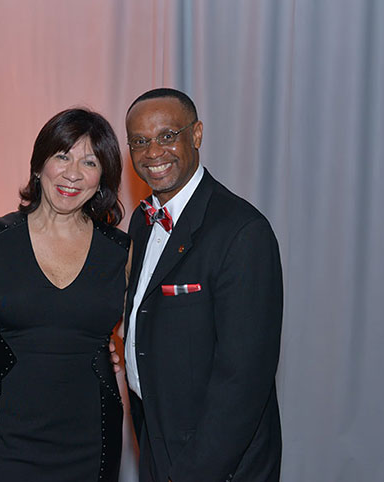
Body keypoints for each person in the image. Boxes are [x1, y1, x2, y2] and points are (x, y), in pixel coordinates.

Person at [121, 88, 284, 482]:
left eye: (166, 136)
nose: (153, 152)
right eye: (140, 141)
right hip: (158, 447)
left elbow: (243, 380)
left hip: (217, 463)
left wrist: (193, 472)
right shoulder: (143, 223)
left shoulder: (242, 231)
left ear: (196, 135)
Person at [0, 108, 128, 482]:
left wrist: (118, 348)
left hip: (92, 441)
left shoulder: (122, 250)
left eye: (89, 161)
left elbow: (145, 335)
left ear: (102, 177)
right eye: (62, 156)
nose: (73, 173)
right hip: (4, 439)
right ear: (39, 163)